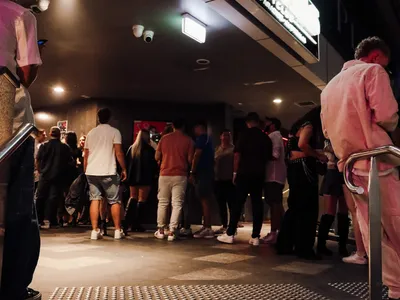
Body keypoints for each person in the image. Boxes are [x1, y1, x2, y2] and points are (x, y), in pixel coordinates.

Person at [321, 37, 400, 299]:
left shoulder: (329, 88)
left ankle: (395, 286)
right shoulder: (372, 72)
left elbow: (326, 130)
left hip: (350, 166)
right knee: (396, 221)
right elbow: (387, 115)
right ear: (376, 56)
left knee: (372, 230)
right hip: (378, 159)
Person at [0, 1, 44, 298]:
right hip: (10, 123)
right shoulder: (19, 13)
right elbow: (27, 68)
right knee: (18, 208)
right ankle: (13, 286)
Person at [276, 106, 328, 259]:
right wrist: (318, 156)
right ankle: (304, 248)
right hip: (305, 167)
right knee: (308, 208)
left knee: (295, 207)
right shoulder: (309, 125)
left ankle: (285, 244)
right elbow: (303, 144)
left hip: (294, 168)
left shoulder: (297, 126)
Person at [218, 112, 272, 246]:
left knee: (238, 203)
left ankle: (230, 234)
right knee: (257, 204)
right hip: (259, 174)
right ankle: (255, 237)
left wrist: (235, 172)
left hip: (244, 173)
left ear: (248, 122)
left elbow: (237, 155)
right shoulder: (265, 138)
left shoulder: (243, 135)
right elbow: (268, 158)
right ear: (258, 122)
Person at [84, 108, 127, 240]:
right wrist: (124, 168)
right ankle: (118, 230)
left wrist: (85, 170)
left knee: (95, 199)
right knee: (114, 200)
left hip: (91, 171)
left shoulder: (91, 133)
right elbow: (118, 152)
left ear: (98, 118)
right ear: (110, 118)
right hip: (108, 170)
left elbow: (86, 154)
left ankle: (94, 230)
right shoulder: (115, 132)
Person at [155, 119, 194, 242]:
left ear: (172, 125)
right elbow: (190, 160)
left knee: (162, 202)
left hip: (164, 174)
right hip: (180, 175)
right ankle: (172, 231)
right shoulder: (188, 141)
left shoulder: (164, 139)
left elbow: (157, 156)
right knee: (177, 204)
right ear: (183, 126)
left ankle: (161, 230)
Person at [316, 140, 350, 257]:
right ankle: (328, 246)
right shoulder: (331, 138)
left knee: (340, 212)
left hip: (340, 172)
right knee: (333, 212)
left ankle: (339, 246)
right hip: (336, 171)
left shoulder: (330, 137)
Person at [35, 127, 73, 228]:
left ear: (50, 133)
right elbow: (70, 162)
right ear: (60, 134)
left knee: (40, 197)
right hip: (58, 176)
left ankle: (38, 219)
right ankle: (52, 221)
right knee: (53, 198)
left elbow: (38, 159)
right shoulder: (65, 147)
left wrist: (40, 171)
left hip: (45, 175)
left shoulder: (44, 145)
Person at [124, 129, 158, 233]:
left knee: (132, 198)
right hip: (145, 178)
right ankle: (136, 224)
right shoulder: (150, 150)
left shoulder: (132, 148)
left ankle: (126, 223)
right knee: (141, 200)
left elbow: (127, 163)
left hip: (133, 178)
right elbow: (154, 165)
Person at [262, 118, 286, 245]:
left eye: (267, 122)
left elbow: (275, 155)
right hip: (274, 175)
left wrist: (260, 156)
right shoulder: (275, 136)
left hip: (274, 175)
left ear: (273, 125)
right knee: (276, 203)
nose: (265, 124)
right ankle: (281, 231)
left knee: (275, 203)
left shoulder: (274, 136)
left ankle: (274, 233)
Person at [190, 121, 215, 239]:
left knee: (204, 200)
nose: (194, 131)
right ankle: (206, 226)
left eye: (195, 128)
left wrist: (192, 171)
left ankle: (208, 228)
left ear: (200, 127)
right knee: (205, 199)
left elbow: (197, 154)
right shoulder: (208, 140)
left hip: (203, 173)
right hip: (207, 173)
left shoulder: (201, 139)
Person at [214, 129, 235, 235]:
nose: (226, 137)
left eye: (228, 135)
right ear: (220, 137)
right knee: (221, 203)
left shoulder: (233, 149)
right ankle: (224, 225)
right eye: (224, 135)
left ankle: (232, 226)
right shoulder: (217, 149)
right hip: (218, 180)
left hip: (229, 180)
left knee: (231, 204)